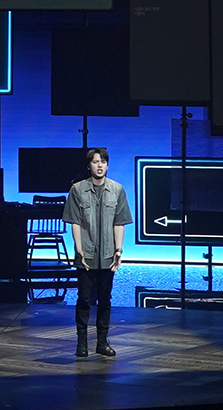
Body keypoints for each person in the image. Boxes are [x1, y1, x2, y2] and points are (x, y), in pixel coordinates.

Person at [64, 147, 132, 358]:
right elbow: (75, 221)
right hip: (86, 254)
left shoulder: (117, 189)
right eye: (95, 162)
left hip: (108, 255)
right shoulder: (77, 189)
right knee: (84, 299)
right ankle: (82, 343)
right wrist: (78, 249)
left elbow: (119, 222)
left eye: (102, 161)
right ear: (89, 166)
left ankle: (102, 342)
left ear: (107, 165)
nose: (99, 165)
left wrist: (119, 250)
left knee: (105, 300)